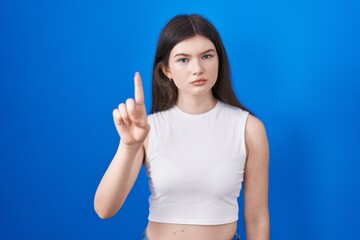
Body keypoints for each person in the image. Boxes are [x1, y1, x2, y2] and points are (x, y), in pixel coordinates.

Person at [94, 14, 269, 240]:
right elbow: (103, 209)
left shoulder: (248, 128)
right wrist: (128, 146)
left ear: (219, 60)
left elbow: (257, 217)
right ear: (166, 69)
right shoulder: (147, 130)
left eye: (206, 56)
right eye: (183, 59)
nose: (197, 68)